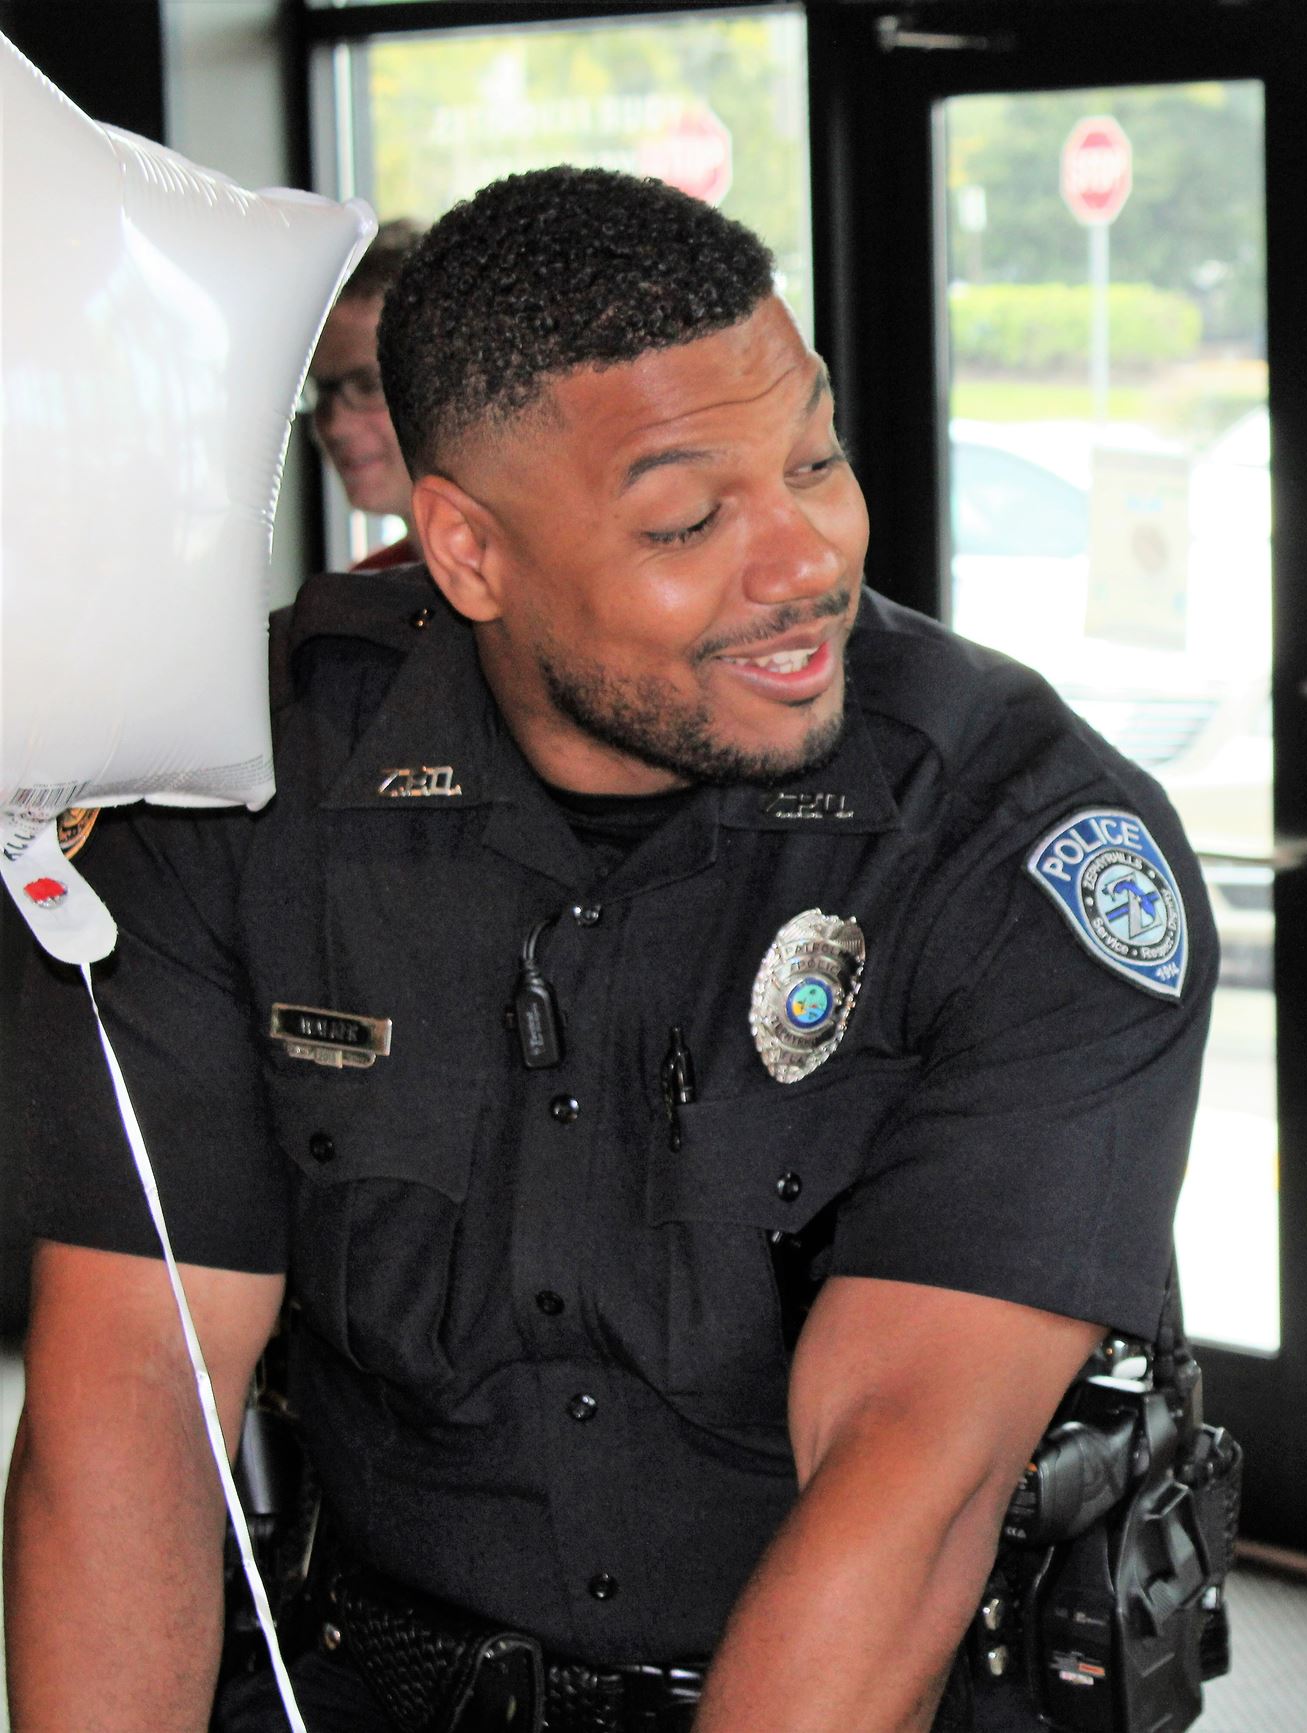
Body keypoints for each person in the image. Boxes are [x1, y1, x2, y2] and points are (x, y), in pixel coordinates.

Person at [6, 166, 1216, 1730]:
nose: (804, 563)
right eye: (688, 519)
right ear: (467, 550)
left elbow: (909, 1486)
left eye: (817, 457)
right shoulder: (240, 797)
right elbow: (132, 1411)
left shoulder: (1014, 847)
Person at [303, 219, 421, 570]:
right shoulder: (364, 593)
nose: (334, 426)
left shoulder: (553, 584)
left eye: (368, 385)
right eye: (322, 389)